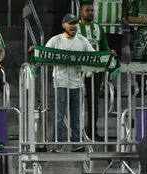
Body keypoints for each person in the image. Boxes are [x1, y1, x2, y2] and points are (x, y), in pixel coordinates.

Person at [45, 13, 95, 152]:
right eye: (70, 23)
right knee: (59, 116)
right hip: (61, 83)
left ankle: (76, 143)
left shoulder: (83, 40)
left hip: (78, 83)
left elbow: (94, 56)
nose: (73, 26)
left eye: (75, 23)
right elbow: (44, 55)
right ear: (63, 25)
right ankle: (56, 143)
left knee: (77, 117)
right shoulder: (55, 40)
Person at [79, 2, 116, 141]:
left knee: (93, 102)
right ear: (80, 12)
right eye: (87, 10)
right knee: (78, 102)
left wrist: (109, 52)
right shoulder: (75, 28)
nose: (90, 13)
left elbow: (104, 47)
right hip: (79, 70)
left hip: (96, 70)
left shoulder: (98, 28)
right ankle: (77, 133)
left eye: (92, 10)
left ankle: (92, 132)